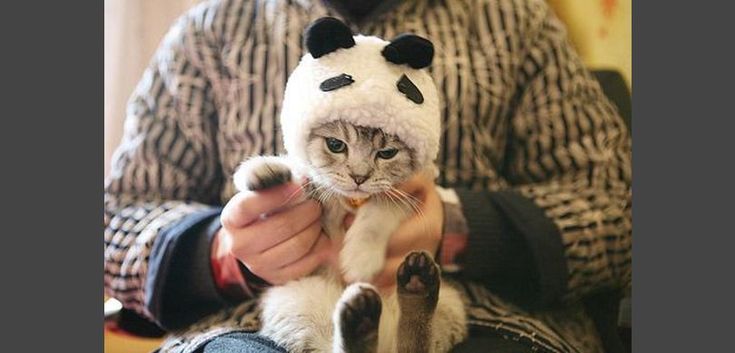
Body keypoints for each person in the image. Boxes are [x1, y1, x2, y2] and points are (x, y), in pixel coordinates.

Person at [104, 0, 631, 352]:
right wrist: (221, 256)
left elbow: (620, 206)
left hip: (488, 318)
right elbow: (115, 221)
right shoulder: (211, 30)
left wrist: (461, 228)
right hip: (251, 327)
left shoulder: (515, 21)